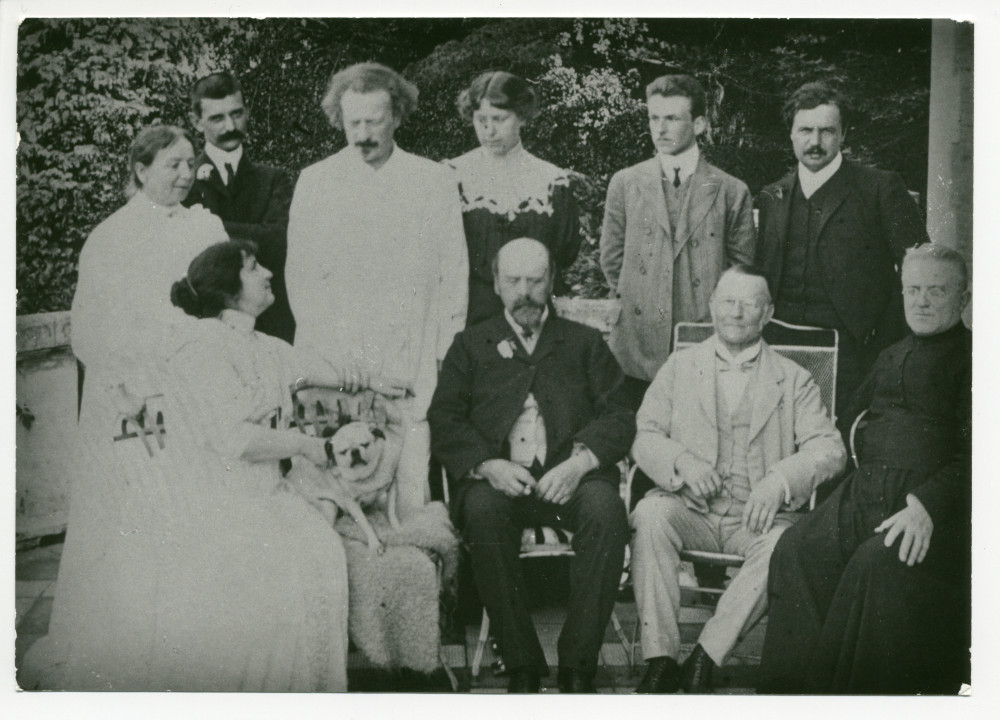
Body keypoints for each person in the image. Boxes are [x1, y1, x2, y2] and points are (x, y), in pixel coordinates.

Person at [21, 125, 229, 689]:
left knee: (192, 508)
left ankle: (186, 639)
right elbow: (91, 330)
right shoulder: (110, 237)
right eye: (172, 165)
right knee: (131, 521)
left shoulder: (206, 227)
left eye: (191, 163)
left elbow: (219, 303)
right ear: (140, 170)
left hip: (191, 389)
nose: (186, 173)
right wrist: (136, 382)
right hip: (130, 396)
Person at [758, 244, 971, 694]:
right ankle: (789, 696)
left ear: (964, 298)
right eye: (913, 289)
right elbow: (844, 426)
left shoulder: (976, 361)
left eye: (937, 291)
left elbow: (981, 458)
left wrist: (928, 506)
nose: (922, 301)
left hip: (932, 507)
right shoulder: (890, 355)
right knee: (797, 549)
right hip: (865, 489)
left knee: (874, 566)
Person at [428, 238, 634, 694]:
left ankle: (578, 665)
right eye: (514, 280)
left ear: (552, 283)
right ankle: (522, 663)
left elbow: (619, 415)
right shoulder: (470, 345)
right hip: (499, 485)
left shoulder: (583, 343)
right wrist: (486, 465)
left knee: (607, 512)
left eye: (536, 280)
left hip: (570, 484)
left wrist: (580, 464)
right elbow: (443, 419)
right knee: (481, 513)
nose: (525, 291)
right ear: (497, 284)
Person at [630, 265, 846, 694]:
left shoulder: (795, 378)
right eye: (727, 301)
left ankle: (706, 656)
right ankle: (660, 659)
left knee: (786, 546)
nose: (736, 312)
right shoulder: (679, 366)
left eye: (749, 304)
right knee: (650, 515)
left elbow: (829, 449)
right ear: (711, 307)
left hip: (759, 520)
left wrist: (779, 481)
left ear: (767, 314)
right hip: (690, 509)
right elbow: (645, 435)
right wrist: (683, 463)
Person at [287, 62, 468, 521]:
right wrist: (332, 363)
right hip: (338, 370)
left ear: (399, 116)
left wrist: (444, 355)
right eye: (354, 123)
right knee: (334, 495)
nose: (363, 133)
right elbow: (302, 280)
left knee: (408, 495)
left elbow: (454, 275)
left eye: (375, 121)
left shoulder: (433, 181)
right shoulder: (317, 182)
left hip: (409, 364)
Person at [756, 81, 929, 417]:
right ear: (791, 134)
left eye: (827, 131)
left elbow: (920, 267)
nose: (815, 142)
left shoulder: (880, 188)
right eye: (805, 130)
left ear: (843, 134)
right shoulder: (772, 195)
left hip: (857, 357)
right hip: (780, 350)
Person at [600, 74, 756, 409]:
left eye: (672, 118)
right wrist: (645, 292)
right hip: (636, 347)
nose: (660, 129)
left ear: (699, 124)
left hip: (702, 343)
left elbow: (741, 270)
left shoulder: (731, 190)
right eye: (654, 118)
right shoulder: (626, 183)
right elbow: (611, 259)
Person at [447, 71, 581, 325]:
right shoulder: (452, 177)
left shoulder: (552, 181)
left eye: (499, 119)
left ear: (522, 117)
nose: (489, 130)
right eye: (481, 119)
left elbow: (565, 253)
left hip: (533, 318)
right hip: (469, 322)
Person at [184, 71, 297, 343]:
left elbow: (279, 242)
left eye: (236, 114)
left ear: (247, 112)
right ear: (196, 122)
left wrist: (210, 226)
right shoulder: (184, 183)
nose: (229, 127)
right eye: (217, 118)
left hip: (272, 324)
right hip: (207, 328)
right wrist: (254, 233)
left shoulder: (274, 180)